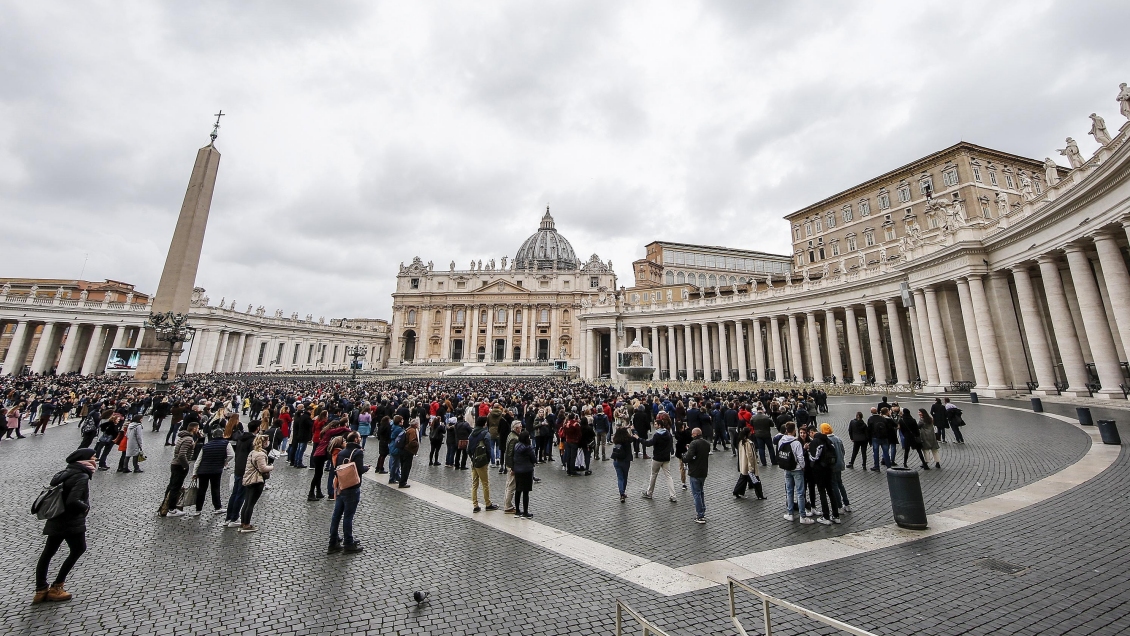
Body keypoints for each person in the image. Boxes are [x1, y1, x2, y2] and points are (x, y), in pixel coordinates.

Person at [33, 448, 96, 604]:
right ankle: (57, 587)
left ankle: (41, 590)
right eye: (93, 457)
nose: (96, 459)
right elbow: (73, 501)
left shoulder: (65, 472)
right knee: (78, 549)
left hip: (56, 517)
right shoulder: (81, 476)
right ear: (85, 460)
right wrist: (85, 507)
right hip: (71, 520)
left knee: (48, 553)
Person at [328, 431, 369, 552]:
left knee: (336, 515)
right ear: (356, 439)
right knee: (348, 516)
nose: (360, 438)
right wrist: (367, 467)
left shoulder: (341, 452)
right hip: (352, 487)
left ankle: (333, 541)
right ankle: (348, 543)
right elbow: (359, 469)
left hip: (341, 485)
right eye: (359, 437)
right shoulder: (357, 453)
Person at [159, 421, 199, 518]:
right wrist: (185, 465)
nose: (198, 429)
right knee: (175, 487)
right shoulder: (188, 439)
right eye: (197, 428)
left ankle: (165, 506)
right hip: (179, 465)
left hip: (175, 464)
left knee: (172, 485)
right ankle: (172, 509)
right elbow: (182, 454)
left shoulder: (183, 437)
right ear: (194, 429)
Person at [224, 422, 259, 528]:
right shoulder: (252, 440)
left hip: (238, 467)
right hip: (245, 469)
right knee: (240, 495)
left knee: (235, 494)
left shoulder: (241, 438)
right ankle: (234, 518)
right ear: (257, 428)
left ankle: (229, 517)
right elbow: (252, 457)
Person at [192, 427, 232, 517]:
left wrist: (194, 473)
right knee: (215, 489)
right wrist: (224, 462)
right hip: (216, 470)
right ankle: (217, 507)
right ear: (222, 435)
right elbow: (231, 455)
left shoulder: (206, 445)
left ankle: (198, 509)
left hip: (203, 470)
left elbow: (198, 460)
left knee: (201, 490)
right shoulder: (226, 443)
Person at [807, 425, 841, 525]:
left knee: (822, 492)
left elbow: (814, 458)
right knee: (831, 491)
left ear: (811, 432)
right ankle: (836, 515)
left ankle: (825, 516)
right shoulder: (828, 440)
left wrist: (809, 451)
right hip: (829, 468)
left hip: (819, 470)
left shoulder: (815, 442)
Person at [778, 422, 812, 524]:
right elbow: (800, 457)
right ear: (794, 431)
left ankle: (790, 513)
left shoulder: (781, 441)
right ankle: (802, 516)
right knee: (800, 493)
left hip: (786, 468)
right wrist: (803, 467)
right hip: (797, 469)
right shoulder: (796, 443)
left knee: (789, 491)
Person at [239, 435, 273, 533]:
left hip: (249, 479)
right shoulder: (261, 455)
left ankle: (243, 523)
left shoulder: (252, 452)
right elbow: (263, 468)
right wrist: (271, 467)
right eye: (267, 441)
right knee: (251, 504)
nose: (268, 443)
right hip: (256, 480)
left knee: (247, 503)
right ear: (264, 442)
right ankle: (247, 525)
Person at [641, 412, 677, 503]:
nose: (654, 426)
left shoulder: (657, 435)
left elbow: (649, 443)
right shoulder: (668, 434)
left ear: (659, 425)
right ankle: (673, 495)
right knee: (668, 476)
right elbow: (670, 445)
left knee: (653, 475)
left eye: (656, 424)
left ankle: (649, 493)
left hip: (657, 458)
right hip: (666, 458)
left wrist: (639, 439)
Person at [468, 418, 497, 512]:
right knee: (485, 483)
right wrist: (488, 459)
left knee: (474, 484)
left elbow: (468, 449)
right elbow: (488, 448)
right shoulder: (485, 434)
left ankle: (475, 505)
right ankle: (488, 504)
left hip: (474, 460)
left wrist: (472, 458)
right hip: (482, 461)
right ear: (484, 424)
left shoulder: (472, 433)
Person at [822, 423, 851, 513]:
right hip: (840, 464)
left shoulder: (827, 440)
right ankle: (847, 504)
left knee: (834, 485)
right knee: (840, 484)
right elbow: (843, 451)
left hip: (833, 465)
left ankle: (839, 506)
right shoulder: (838, 439)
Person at [684, 427, 710, 523]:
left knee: (696, 493)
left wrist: (684, 456)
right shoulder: (706, 443)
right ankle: (703, 510)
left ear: (694, 434)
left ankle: (700, 515)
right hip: (703, 471)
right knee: (701, 492)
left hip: (694, 471)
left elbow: (689, 457)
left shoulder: (694, 443)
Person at [733, 427, 765, 500]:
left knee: (743, 479)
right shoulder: (748, 443)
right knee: (756, 481)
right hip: (749, 466)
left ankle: (737, 492)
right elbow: (750, 456)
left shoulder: (741, 442)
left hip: (744, 465)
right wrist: (751, 467)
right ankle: (760, 495)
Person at [512, 430, 537, 518]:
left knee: (518, 490)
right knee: (526, 492)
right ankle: (525, 512)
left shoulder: (516, 446)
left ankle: (517, 510)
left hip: (518, 470)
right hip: (526, 470)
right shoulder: (528, 448)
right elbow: (534, 459)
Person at [610, 424, 637, 501]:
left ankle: (621, 493)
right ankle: (623, 492)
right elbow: (635, 435)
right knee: (625, 477)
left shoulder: (616, 439)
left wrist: (623, 427)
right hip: (626, 460)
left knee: (620, 477)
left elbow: (619, 430)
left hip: (617, 460)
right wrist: (632, 429)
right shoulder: (628, 439)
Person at [503, 422, 523, 513]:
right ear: (516, 428)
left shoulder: (511, 435)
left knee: (509, 485)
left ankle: (507, 504)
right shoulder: (514, 439)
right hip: (512, 466)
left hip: (509, 464)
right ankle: (508, 506)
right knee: (511, 485)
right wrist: (512, 467)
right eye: (520, 427)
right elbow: (510, 453)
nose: (521, 428)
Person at [395, 419, 420, 488]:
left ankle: (402, 481)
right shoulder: (412, 431)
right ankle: (403, 482)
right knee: (406, 467)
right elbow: (412, 442)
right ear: (415, 425)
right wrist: (417, 444)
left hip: (403, 450)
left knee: (403, 466)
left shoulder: (408, 429)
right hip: (408, 451)